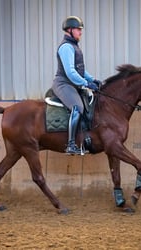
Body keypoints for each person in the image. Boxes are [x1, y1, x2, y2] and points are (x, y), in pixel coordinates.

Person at [52, 16, 102, 155]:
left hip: (73, 84)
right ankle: (71, 144)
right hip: (63, 83)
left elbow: (80, 69)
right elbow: (70, 72)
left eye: (81, 30)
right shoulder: (66, 47)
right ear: (70, 30)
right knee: (77, 107)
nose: (80, 32)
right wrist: (87, 83)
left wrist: (93, 79)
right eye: (78, 29)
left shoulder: (74, 46)